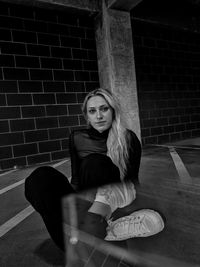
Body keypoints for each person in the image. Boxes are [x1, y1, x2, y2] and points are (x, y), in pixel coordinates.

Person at [25, 88, 164, 253]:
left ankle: (94, 231)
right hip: (86, 201)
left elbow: (132, 182)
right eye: (92, 111)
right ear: (87, 115)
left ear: (113, 111)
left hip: (114, 199)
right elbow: (76, 180)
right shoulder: (77, 138)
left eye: (104, 109)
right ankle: (87, 236)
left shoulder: (128, 138)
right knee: (40, 178)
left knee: (95, 163)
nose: (99, 116)